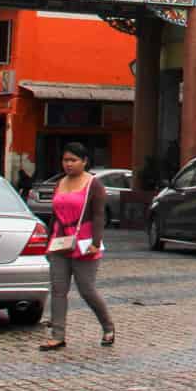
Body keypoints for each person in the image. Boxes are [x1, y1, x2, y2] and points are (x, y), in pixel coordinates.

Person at [40, 140, 115, 351]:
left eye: (73, 160)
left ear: (84, 161)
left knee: (87, 290)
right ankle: (58, 335)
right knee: (58, 290)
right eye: (65, 160)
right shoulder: (60, 183)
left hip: (84, 243)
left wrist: (96, 242)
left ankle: (108, 327)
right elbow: (54, 216)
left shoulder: (94, 184)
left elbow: (99, 215)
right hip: (60, 242)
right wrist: (49, 243)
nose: (68, 164)